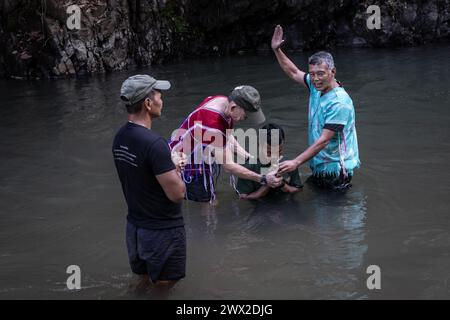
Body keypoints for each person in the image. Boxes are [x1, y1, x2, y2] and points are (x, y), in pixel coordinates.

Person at [112, 74, 187, 298]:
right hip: (161, 232)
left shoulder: (120, 136)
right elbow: (177, 194)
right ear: (147, 103)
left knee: (143, 281)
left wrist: (166, 165)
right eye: (159, 96)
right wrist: (177, 168)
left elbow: (140, 175)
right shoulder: (154, 144)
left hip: (135, 229)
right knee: (165, 284)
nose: (162, 100)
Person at [271, 25, 360, 191]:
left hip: (336, 169)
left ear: (332, 71)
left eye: (320, 73)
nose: (316, 78)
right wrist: (277, 50)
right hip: (320, 164)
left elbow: (324, 140)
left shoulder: (339, 103)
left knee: (331, 212)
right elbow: (293, 71)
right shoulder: (315, 86)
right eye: (312, 74)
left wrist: (296, 162)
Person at [169, 85, 282, 202]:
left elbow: (227, 136)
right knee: (208, 203)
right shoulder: (213, 125)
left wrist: (251, 159)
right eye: (246, 115)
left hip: (193, 148)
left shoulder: (223, 101)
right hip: (186, 163)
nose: (247, 119)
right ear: (233, 107)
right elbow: (228, 166)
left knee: (210, 196)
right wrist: (262, 179)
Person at [236, 123, 303, 200]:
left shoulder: (288, 165)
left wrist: (282, 184)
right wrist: (267, 183)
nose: (274, 156)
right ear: (259, 146)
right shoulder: (249, 167)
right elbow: (243, 198)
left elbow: (298, 189)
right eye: (269, 152)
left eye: (279, 151)